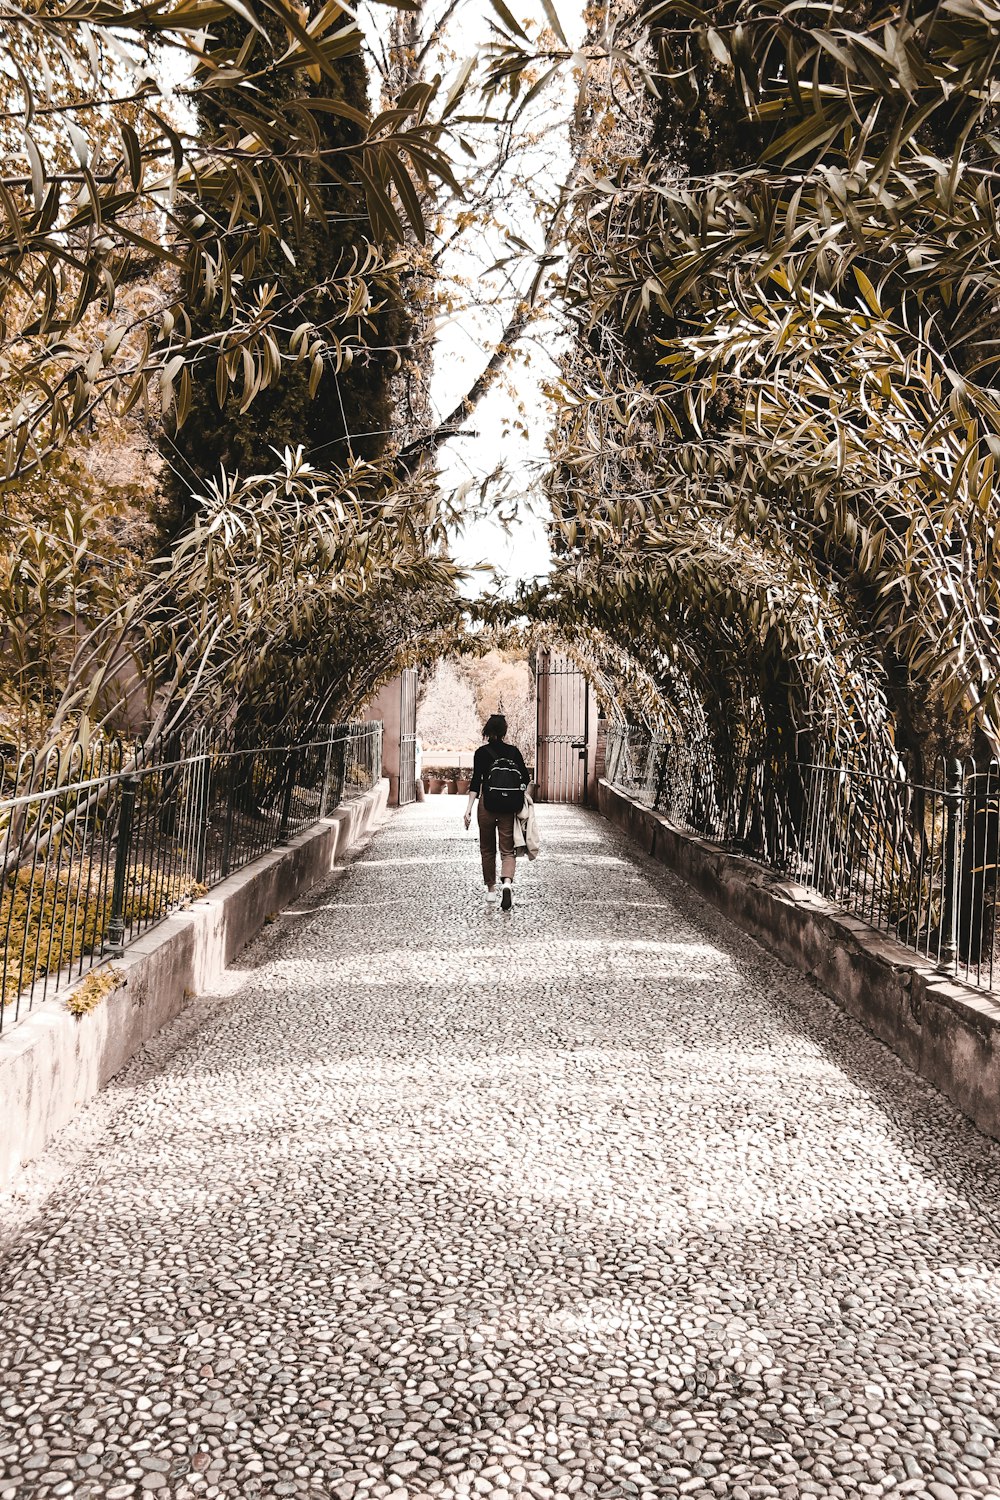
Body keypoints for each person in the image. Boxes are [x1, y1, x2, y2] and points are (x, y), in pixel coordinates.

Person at [464, 714, 529, 910]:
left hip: (487, 805)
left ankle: (491, 890)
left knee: (487, 849)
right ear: (504, 731)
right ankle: (507, 883)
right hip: (508, 808)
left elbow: (476, 782)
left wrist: (468, 809)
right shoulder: (514, 752)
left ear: (487, 731)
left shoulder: (481, 753)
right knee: (507, 850)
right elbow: (525, 779)